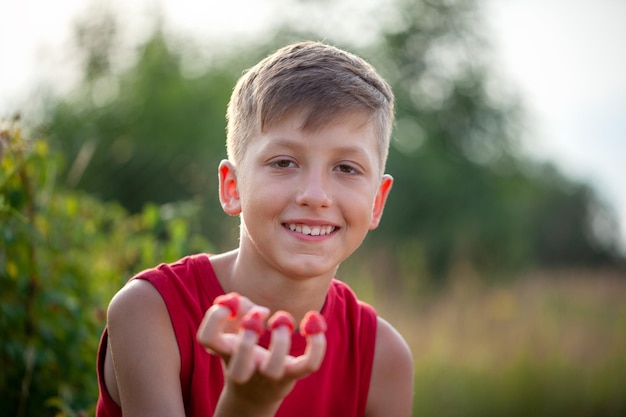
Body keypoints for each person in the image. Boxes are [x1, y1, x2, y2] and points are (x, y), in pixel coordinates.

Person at [96, 40, 414, 417]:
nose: (316, 196)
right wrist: (247, 406)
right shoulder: (150, 312)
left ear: (377, 201)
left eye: (346, 168)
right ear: (232, 188)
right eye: (284, 163)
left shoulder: (382, 357)